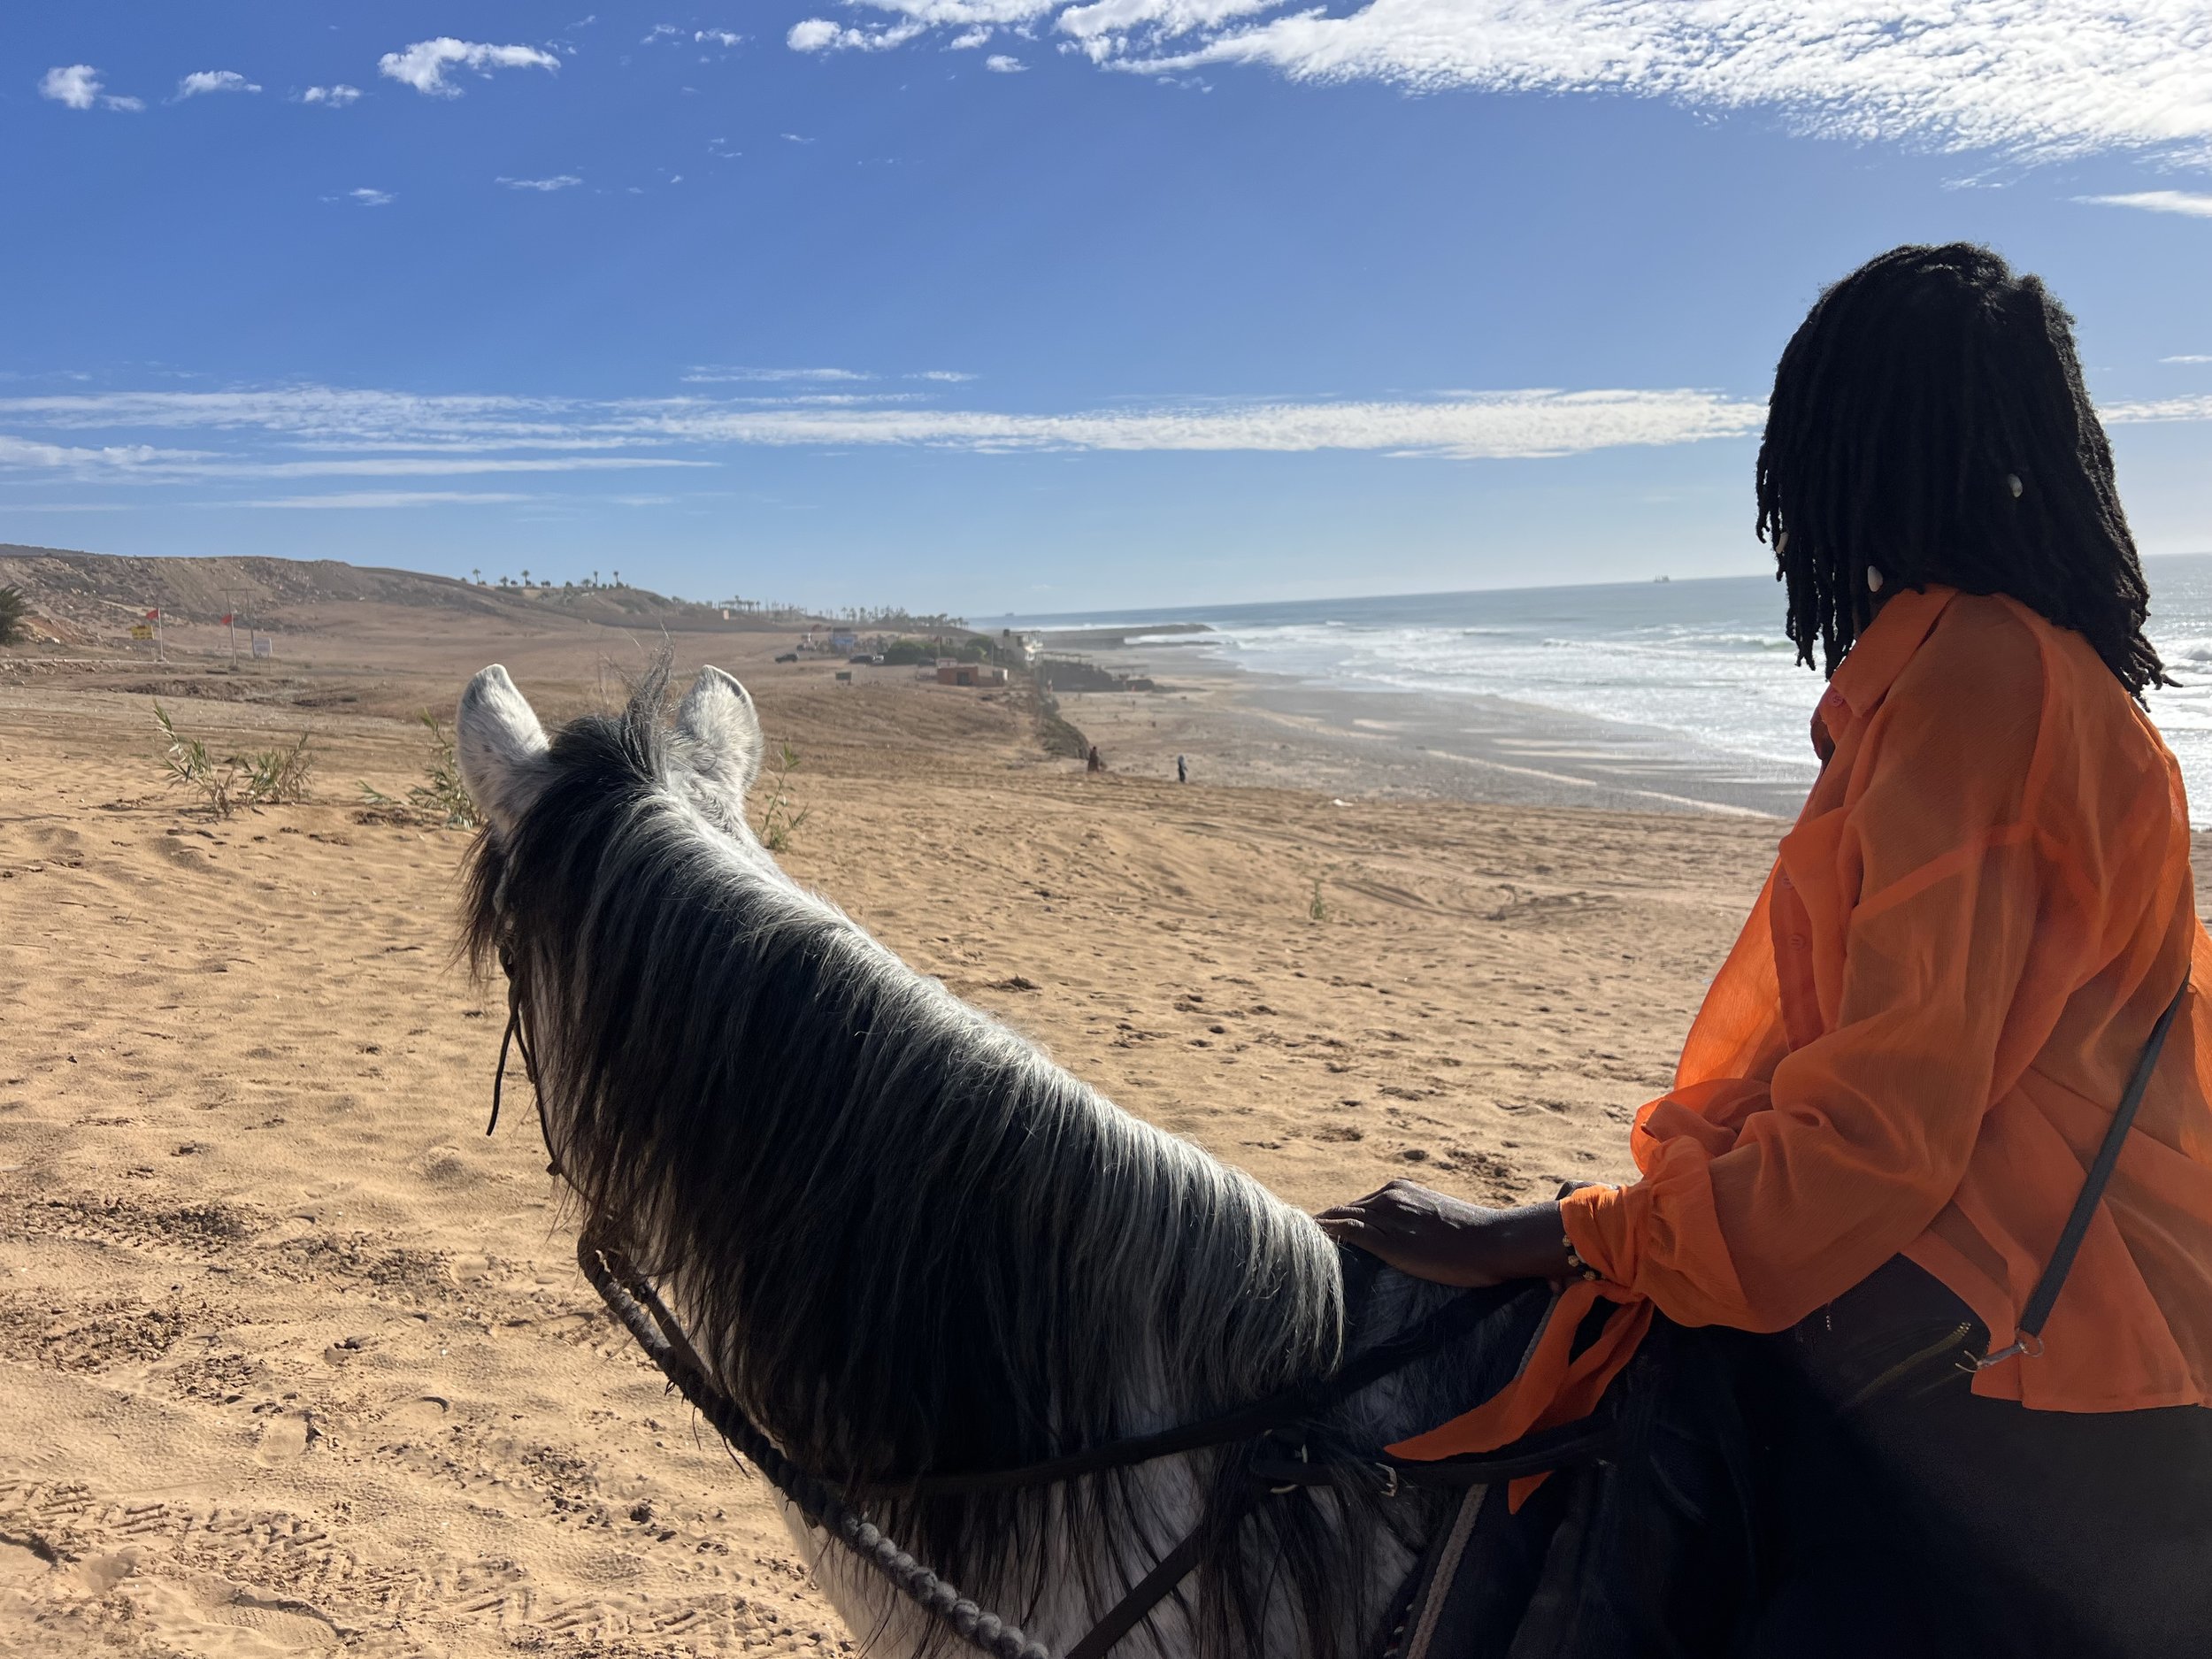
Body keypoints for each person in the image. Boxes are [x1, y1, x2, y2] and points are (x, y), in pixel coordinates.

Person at [1319, 243, 2212, 1656]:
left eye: (1808, 448)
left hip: (2036, 1392)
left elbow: (1877, 1141)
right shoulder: (2008, 674)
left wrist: (1551, 1233)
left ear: (1873, 450)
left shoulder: (1982, 681)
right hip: (2054, 1338)